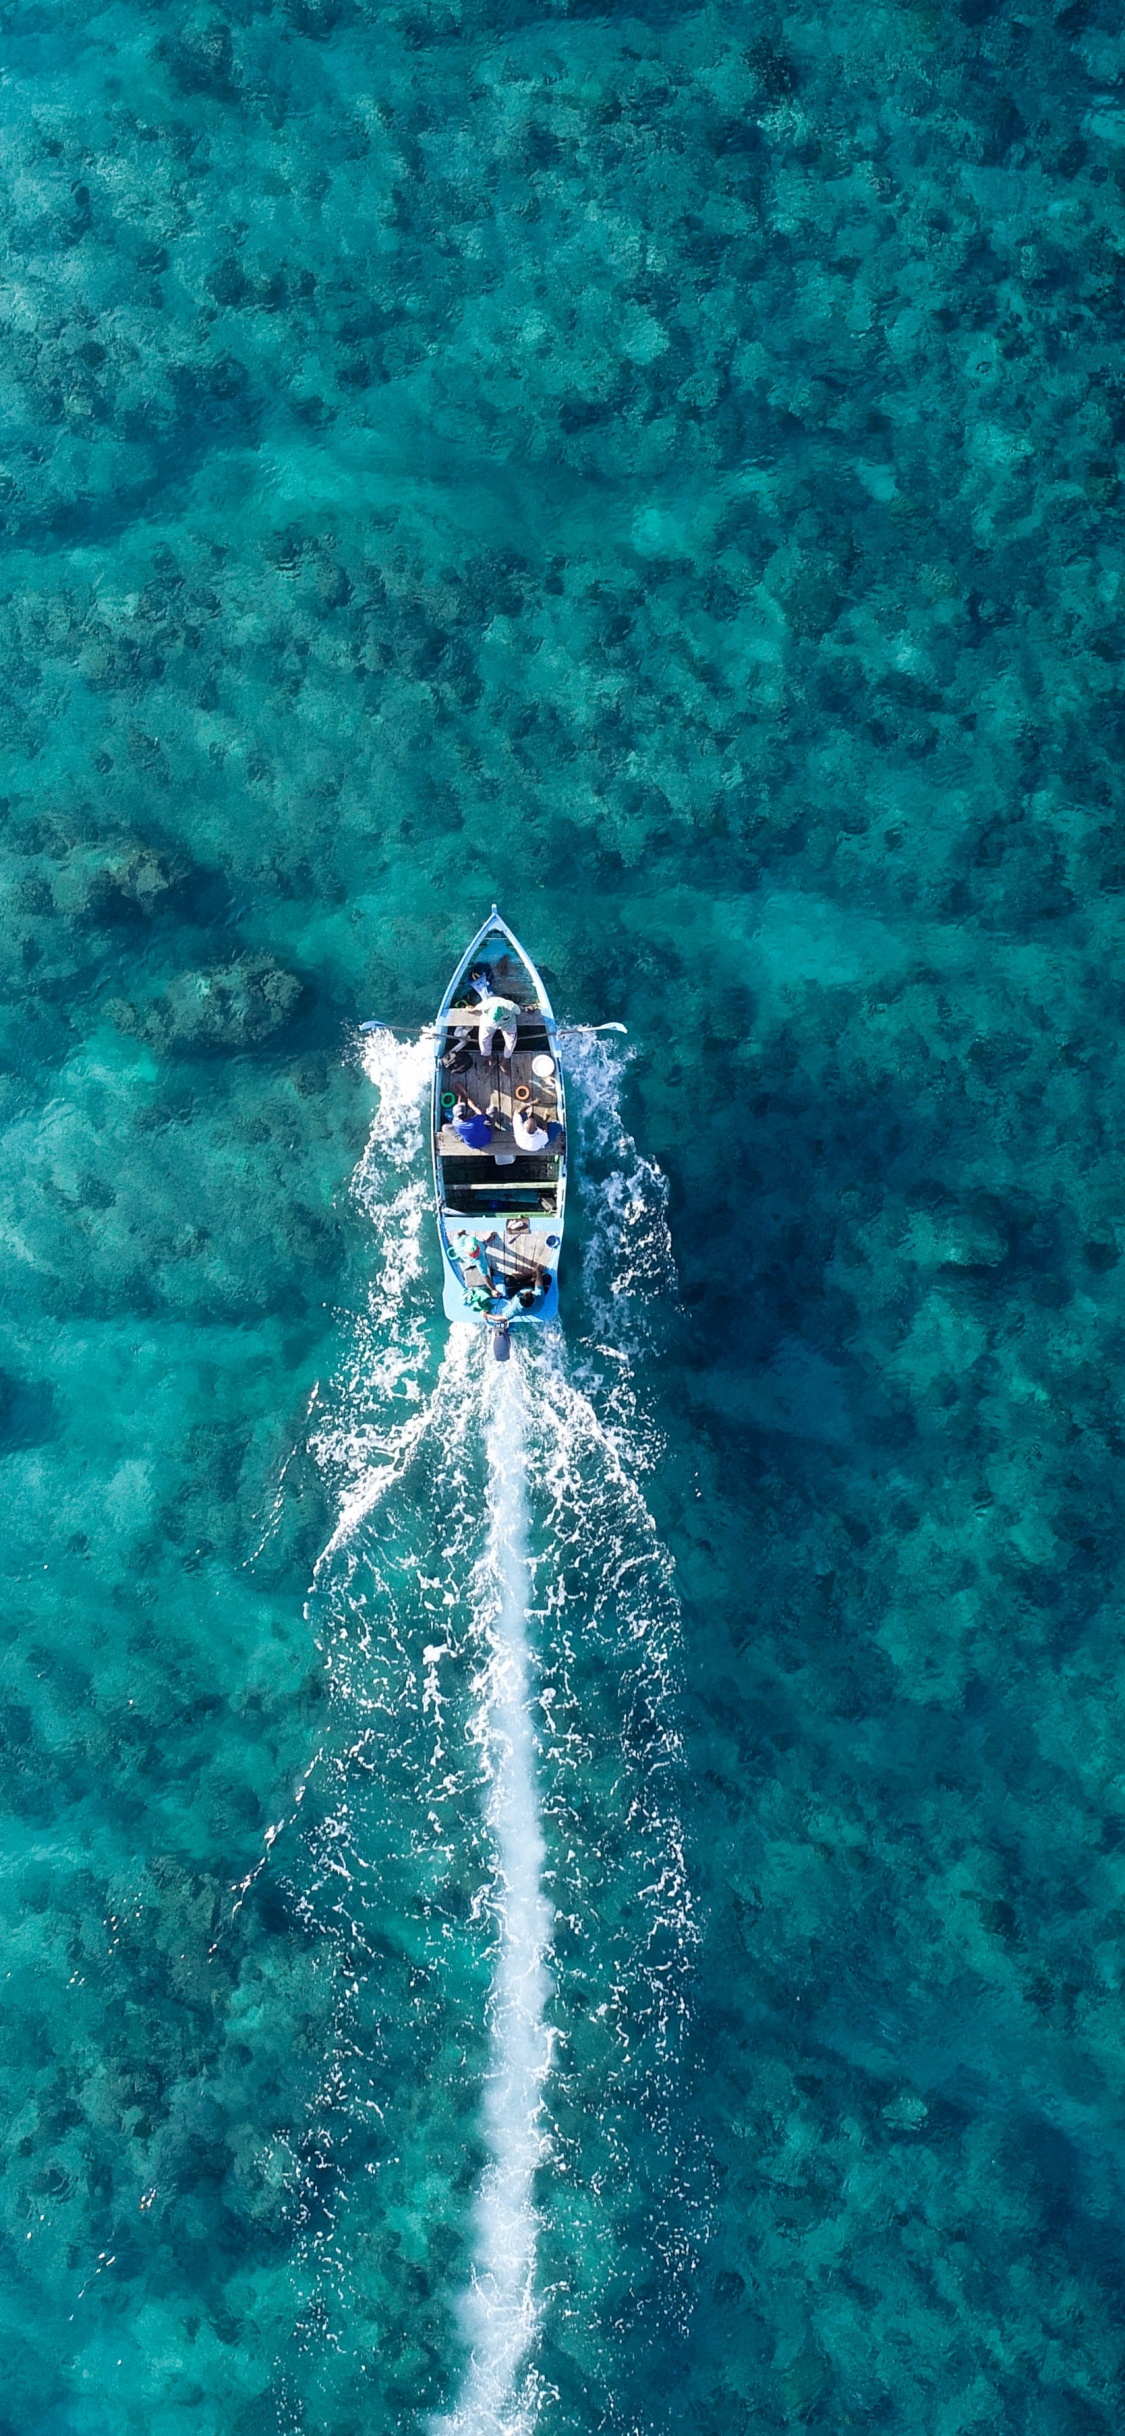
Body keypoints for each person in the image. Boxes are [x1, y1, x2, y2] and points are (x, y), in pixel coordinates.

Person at [478, 992, 519, 1059]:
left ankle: (505, 1059)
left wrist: (526, 1008)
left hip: (507, 1023)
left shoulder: (511, 1006)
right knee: (483, 1039)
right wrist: (471, 1009)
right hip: (489, 1023)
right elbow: (477, 1007)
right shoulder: (487, 1004)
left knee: (511, 1041)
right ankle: (489, 1058)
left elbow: (518, 1011)